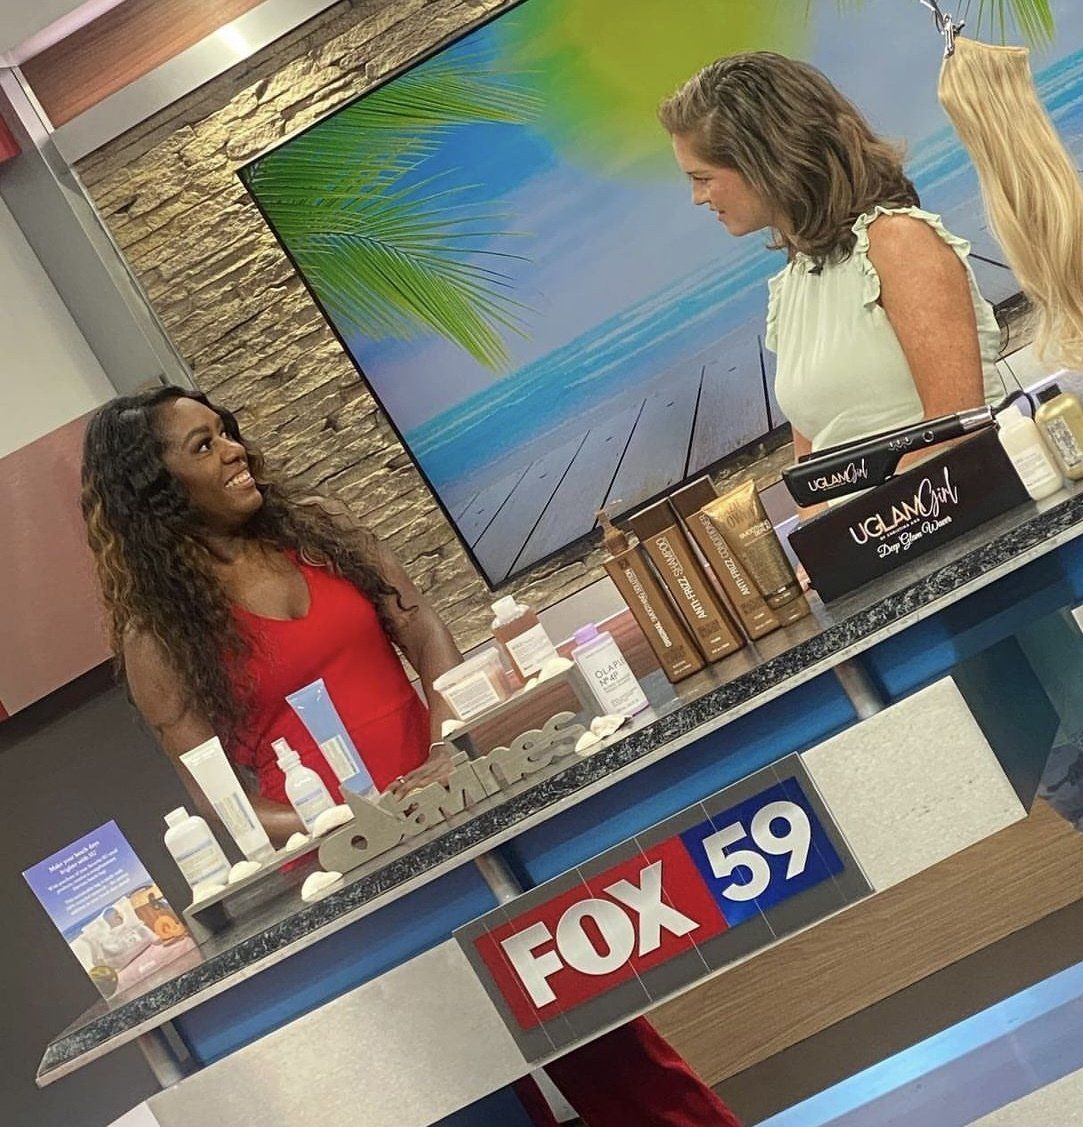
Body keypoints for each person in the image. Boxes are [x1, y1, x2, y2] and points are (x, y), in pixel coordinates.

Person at [81, 386, 740, 1127]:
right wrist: (338, 826)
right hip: (349, 875)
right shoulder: (157, 636)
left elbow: (423, 629)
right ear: (156, 489)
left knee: (602, 1036)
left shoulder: (320, 533)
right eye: (203, 446)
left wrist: (446, 747)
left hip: (458, 810)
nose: (234, 449)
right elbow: (219, 800)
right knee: (469, 1088)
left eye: (225, 430)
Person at [660, 51, 1083, 920]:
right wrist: (821, 551)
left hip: (996, 561)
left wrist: (860, 535)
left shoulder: (899, 244)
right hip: (901, 590)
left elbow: (950, 432)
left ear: (764, 157)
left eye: (704, 176)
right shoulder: (789, 289)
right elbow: (815, 463)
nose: (698, 198)